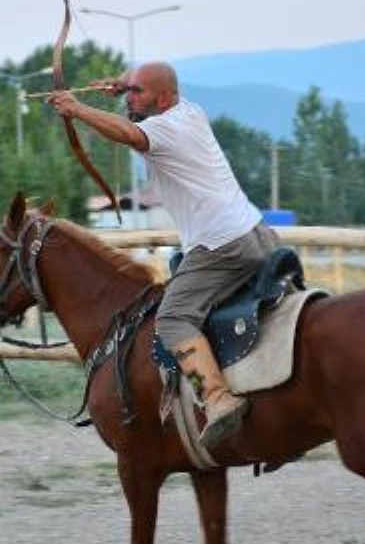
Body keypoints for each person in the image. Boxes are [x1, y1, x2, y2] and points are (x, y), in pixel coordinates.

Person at [47, 61, 279, 448]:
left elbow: (127, 133)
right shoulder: (191, 111)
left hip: (220, 244)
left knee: (171, 320)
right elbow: (143, 98)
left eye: (137, 92)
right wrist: (122, 85)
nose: (129, 98)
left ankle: (218, 398)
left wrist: (77, 109)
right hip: (256, 234)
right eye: (129, 90)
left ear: (165, 97)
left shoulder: (164, 129)